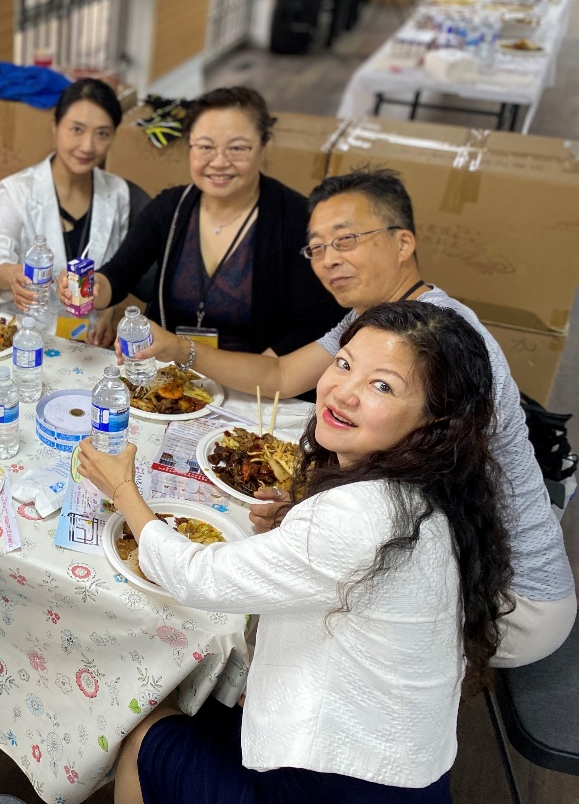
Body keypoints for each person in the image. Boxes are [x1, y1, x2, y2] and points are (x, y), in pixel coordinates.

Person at [120, 168, 575, 666]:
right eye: (316, 247)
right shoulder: (381, 321)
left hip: (510, 599)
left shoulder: (444, 338)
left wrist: (304, 520)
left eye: (347, 239)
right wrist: (175, 347)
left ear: (403, 242)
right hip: (449, 551)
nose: (328, 259)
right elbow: (279, 375)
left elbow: (420, 502)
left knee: (269, 608)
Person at [79, 301, 515, 804]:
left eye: (383, 386)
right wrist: (297, 522)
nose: (343, 391)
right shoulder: (441, 496)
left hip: (335, 785)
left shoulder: (360, 516)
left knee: (143, 734)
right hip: (397, 771)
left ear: (435, 422)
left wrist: (124, 493)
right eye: (345, 363)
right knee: (206, 703)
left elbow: (197, 577)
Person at [58, 86, 343, 354]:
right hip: (169, 379)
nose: (219, 162)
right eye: (205, 147)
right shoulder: (170, 209)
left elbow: (313, 326)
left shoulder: (296, 219)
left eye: (237, 148)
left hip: (255, 388)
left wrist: (260, 380)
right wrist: (92, 289)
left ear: (264, 146)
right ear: (190, 147)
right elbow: (118, 276)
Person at [0, 78, 129, 343]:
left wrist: (109, 311)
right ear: (55, 126)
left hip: (88, 344)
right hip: (26, 337)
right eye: (77, 129)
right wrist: (12, 275)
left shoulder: (117, 192)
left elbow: (120, 268)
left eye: (102, 133)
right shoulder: (17, 189)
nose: (88, 146)